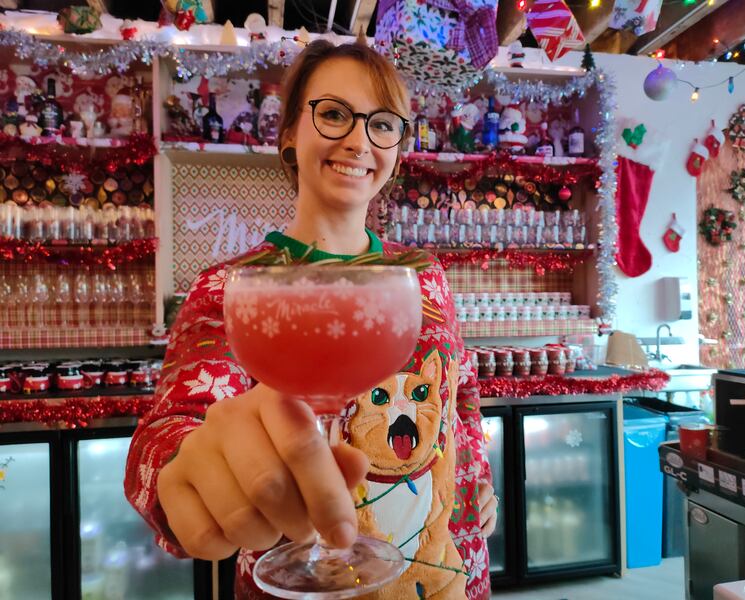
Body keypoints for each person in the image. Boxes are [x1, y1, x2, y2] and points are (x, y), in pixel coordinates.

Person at [125, 38, 496, 600]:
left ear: (397, 149)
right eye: (334, 114)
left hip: (449, 573)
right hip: (306, 585)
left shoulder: (421, 276)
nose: (358, 140)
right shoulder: (238, 287)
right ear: (289, 135)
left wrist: (477, 476)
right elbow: (168, 435)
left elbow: (460, 392)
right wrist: (184, 473)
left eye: (382, 124)